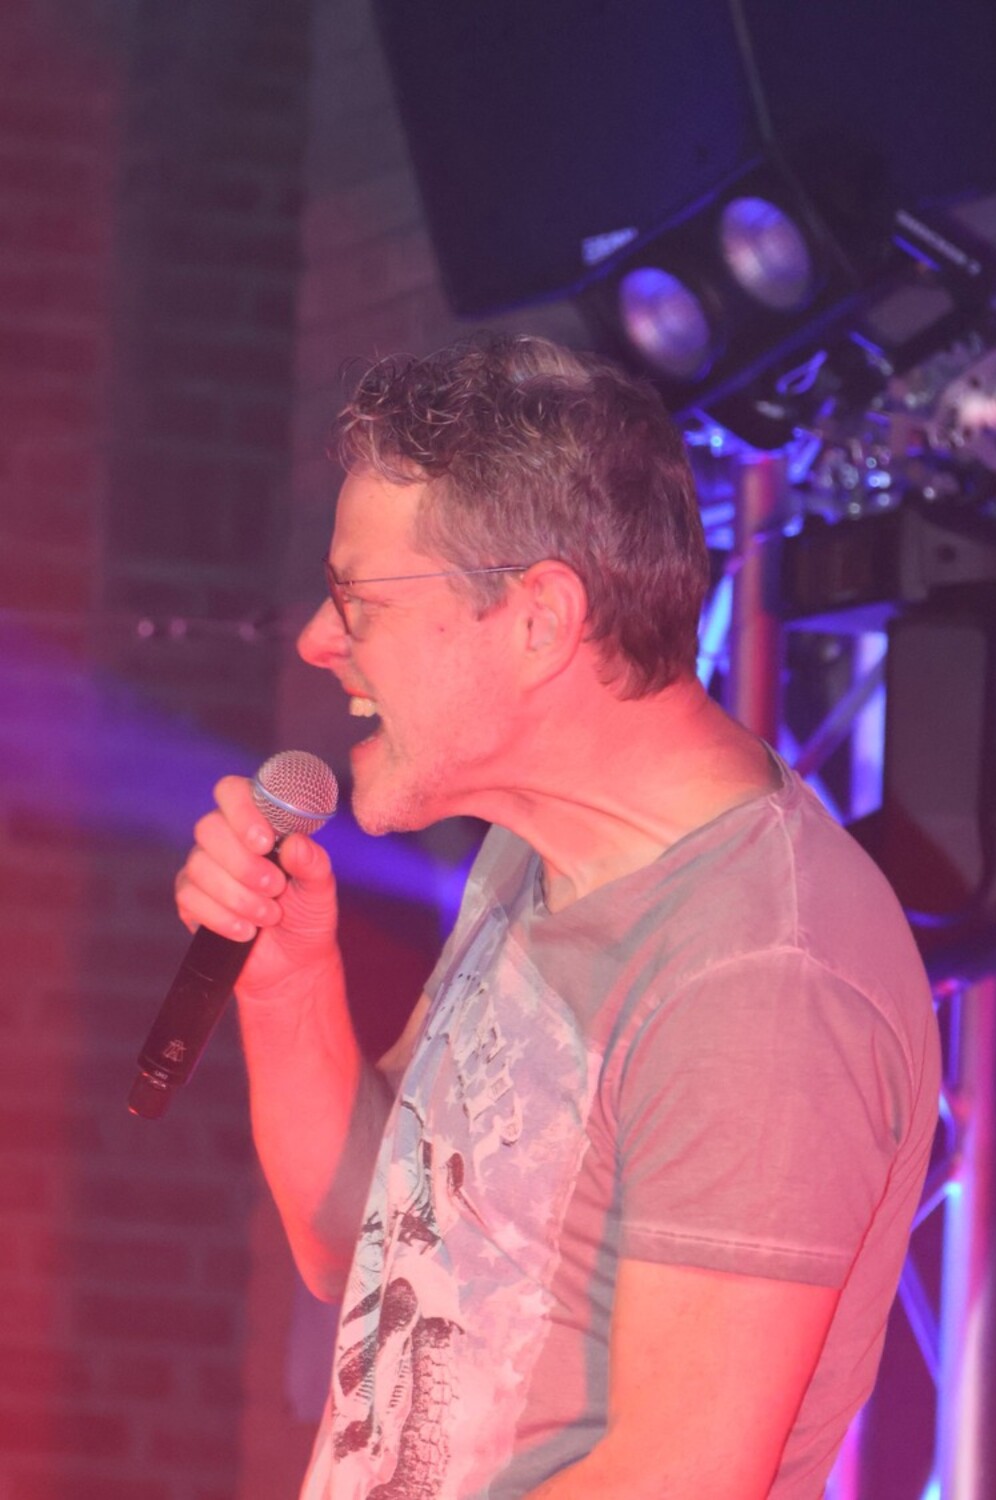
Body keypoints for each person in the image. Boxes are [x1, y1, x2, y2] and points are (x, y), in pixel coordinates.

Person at [176, 335, 941, 1499]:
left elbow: (676, 1479)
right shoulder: (535, 851)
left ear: (538, 619)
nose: (320, 641)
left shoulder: (760, 976)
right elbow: (357, 1249)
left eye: (358, 600)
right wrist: (287, 985)